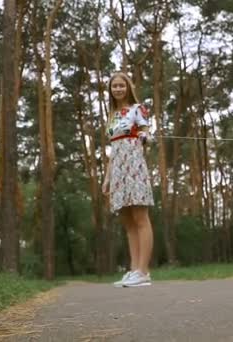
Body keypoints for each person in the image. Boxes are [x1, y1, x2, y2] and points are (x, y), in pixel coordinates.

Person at [102, 72, 155, 288]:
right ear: (110, 90)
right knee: (127, 221)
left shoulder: (137, 109)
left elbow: (146, 133)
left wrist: (145, 136)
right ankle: (134, 270)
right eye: (114, 86)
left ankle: (144, 271)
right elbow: (112, 150)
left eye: (121, 85)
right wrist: (107, 178)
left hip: (134, 166)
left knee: (140, 217)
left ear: (128, 87)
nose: (118, 89)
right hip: (117, 169)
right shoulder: (112, 115)